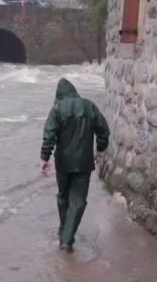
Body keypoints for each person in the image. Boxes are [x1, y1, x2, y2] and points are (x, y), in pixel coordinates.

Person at [40, 78, 110, 252]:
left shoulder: (57, 109)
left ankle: (64, 232)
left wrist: (45, 158)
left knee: (63, 196)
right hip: (84, 162)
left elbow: (49, 135)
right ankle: (67, 237)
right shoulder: (90, 106)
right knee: (78, 200)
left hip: (63, 162)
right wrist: (100, 150)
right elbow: (103, 131)